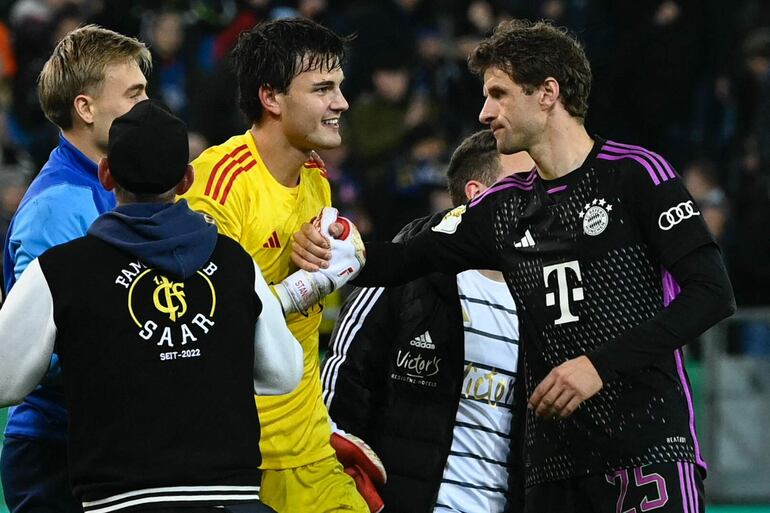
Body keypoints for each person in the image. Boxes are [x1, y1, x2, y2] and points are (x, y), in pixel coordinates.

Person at [292, 19, 736, 513]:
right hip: (548, 470)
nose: (485, 113)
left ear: (547, 92)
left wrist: (597, 367)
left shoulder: (635, 174)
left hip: (645, 447)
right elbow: (406, 259)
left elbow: (712, 294)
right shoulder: (504, 205)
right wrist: (337, 248)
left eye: (499, 94)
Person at [0, 99, 306, 512]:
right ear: (186, 179)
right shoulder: (236, 263)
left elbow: (5, 383)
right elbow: (285, 374)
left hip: (122, 502)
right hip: (233, 501)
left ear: (106, 174)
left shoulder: (59, 271)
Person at [179, 18, 369, 513]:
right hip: (240, 460)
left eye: (340, 87)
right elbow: (206, 322)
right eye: (323, 88)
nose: (341, 103)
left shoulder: (316, 180)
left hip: (308, 448)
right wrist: (308, 285)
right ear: (272, 98)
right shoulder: (218, 184)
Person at [322, 130, 535, 513]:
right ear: (478, 195)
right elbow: (341, 389)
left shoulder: (545, 297)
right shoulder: (404, 272)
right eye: (525, 183)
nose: (542, 195)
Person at [1, 25, 151, 513]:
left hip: (103, 439)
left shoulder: (119, 184)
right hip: (56, 451)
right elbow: (39, 349)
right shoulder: (57, 209)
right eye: (133, 94)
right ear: (85, 109)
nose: (147, 107)